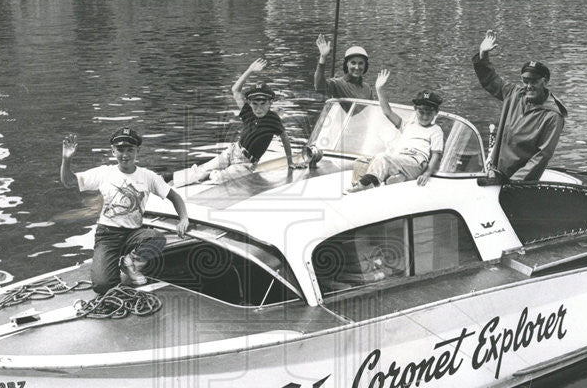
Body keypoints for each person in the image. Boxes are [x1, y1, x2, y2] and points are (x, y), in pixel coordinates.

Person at [60, 127, 189, 292]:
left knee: (157, 238)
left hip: (133, 233)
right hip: (107, 235)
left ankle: (130, 262)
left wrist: (184, 218)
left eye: (130, 149)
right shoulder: (104, 173)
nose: (125, 154)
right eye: (120, 149)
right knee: (103, 286)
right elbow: (68, 181)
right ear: (113, 151)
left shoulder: (148, 176)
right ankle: (110, 262)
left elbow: (174, 196)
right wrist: (66, 159)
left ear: (138, 151)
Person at [183, 57, 302, 185]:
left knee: (218, 179)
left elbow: (285, 137)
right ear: (250, 103)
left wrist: (290, 162)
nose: (258, 108)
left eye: (263, 103)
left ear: (270, 103)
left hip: (245, 163)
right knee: (200, 170)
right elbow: (235, 90)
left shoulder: (273, 119)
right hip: (232, 152)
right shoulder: (248, 112)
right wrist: (250, 70)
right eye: (255, 103)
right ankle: (169, 181)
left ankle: (207, 176)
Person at [473, 29, 567, 182]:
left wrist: (514, 182)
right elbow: (491, 80)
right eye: (525, 81)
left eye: (534, 81)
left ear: (545, 81)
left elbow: (542, 156)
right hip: (497, 174)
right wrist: (483, 55)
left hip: (520, 184)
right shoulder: (514, 94)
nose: (528, 86)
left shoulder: (553, 116)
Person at [346, 69, 445, 192]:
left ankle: (366, 184)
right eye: (421, 112)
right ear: (415, 109)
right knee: (367, 163)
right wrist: (379, 89)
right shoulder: (408, 125)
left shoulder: (436, 130)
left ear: (436, 112)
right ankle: (398, 178)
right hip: (399, 161)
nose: (425, 116)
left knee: (383, 157)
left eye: (429, 113)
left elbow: (436, 155)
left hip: (416, 163)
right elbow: (387, 112)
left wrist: (427, 173)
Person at [313, 35, 377, 99]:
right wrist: (323, 57)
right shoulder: (337, 84)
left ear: (365, 65)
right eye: (353, 63)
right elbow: (319, 87)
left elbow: (373, 108)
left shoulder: (367, 88)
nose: (357, 67)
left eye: (360, 63)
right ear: (347, 64)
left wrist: (380, 89)